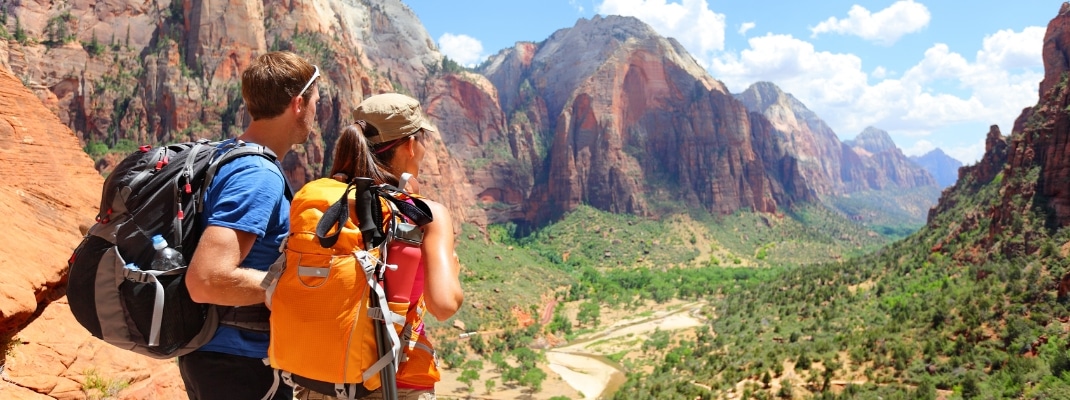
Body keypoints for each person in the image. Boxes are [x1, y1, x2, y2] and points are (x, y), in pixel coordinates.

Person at [299, 93, 463, 400]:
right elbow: (443, 305)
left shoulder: (321, 203)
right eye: (423, 140)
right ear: (411, 145)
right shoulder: (425, 213)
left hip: (321, 379)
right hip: (396, 382)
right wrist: (451, 271)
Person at [180, 51, 320, 400]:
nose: (318, 111)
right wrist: (298, 286)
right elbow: (207, 279)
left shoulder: (228, 154)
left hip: (218, 358)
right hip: (237, 365)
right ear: (298, 103)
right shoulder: (258, 175)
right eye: (317, 101)